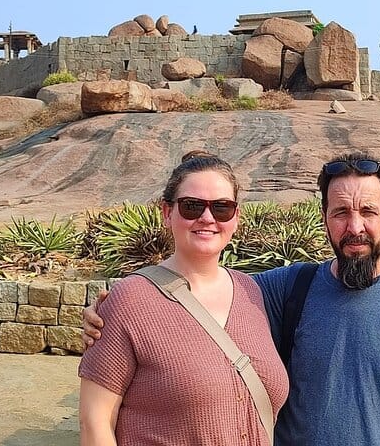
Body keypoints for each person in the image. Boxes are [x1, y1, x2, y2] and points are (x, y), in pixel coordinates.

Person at [83, 151, 380, 445]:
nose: (355, 226)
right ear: (324, 219)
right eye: (341, 212)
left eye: (368, 212)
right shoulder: (282, 289)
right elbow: (196, 293)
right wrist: (111, 309)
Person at [78, 151, 288, 445]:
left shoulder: (251, 292)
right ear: (167, 213)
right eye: (192, 206)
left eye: (222, 208)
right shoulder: (131, 300)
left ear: (236, 217)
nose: (207, 218)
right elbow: (95, 421)